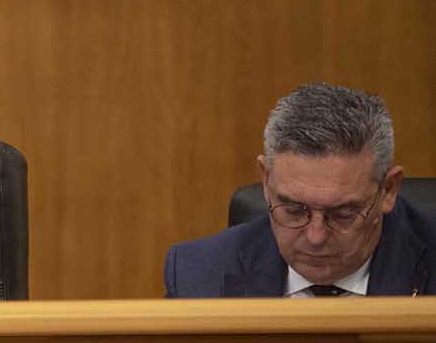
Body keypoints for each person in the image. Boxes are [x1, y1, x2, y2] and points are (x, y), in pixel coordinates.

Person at [165, 83, 434, 297]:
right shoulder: (199, 275)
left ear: (388, 189)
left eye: (342, 214)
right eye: (294, 210)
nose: (316, 237)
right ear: (266, 181)